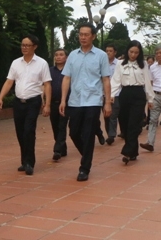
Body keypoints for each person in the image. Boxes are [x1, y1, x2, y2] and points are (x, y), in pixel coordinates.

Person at [59, 23, 111, 182]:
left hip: (93, 100)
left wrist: (107, 102)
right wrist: (63, 100)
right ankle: (87, 155)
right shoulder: (73, 55)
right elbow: (66, 78)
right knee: (73, 132)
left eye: (86, 34)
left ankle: (84, 168)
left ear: (93, 36)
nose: (83, 37)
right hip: (75, 100)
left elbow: (105, 79)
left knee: (88, 134)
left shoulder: (101, 55)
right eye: (80, 34)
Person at [0, 35, 52, 176]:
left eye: (27, 45)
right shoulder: (16, 63)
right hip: (18, 101)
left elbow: (47, 84)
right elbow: (9, 81)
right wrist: (0, 98)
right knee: (20, 132)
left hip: (33, 101)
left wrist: (47, 104)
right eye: (23, 45)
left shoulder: (42, 63)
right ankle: (24, 160)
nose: (24, 48)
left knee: (29, 131)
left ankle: (29, 162)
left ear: (35, 47)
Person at [110, 40, 154, 164]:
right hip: (125, 94)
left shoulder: (143, 64)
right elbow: (116, 79)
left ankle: (127, 152)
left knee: (134, 124)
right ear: (127, 51)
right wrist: (112, 94)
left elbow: (147, 81)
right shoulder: (120, 63)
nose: (133, 55)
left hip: (138, 95)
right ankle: (133, 152)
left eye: (136, 52)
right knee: (124, 124)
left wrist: (150, 99)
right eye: (131, 52)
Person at [49, 49, 69, 161]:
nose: (58, 57)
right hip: (53, 103)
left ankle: (57, 150)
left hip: (66, 103)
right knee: (55, 127)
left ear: (66, 57)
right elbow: (45, 85)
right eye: (56, 55)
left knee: (62, 126)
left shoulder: (70, 71)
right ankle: (63, 148)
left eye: (61, 55)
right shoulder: (50, 71)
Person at [104, 43, 120, 145]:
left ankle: (111, 135)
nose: (108, 53)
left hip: (116, 92)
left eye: (110, 51)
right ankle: (108, 132)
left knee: (113, 115)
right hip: (103, 92)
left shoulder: (119, 64)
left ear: (115, 52)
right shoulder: (102, 63)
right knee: (106, 115)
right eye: (107, 51)